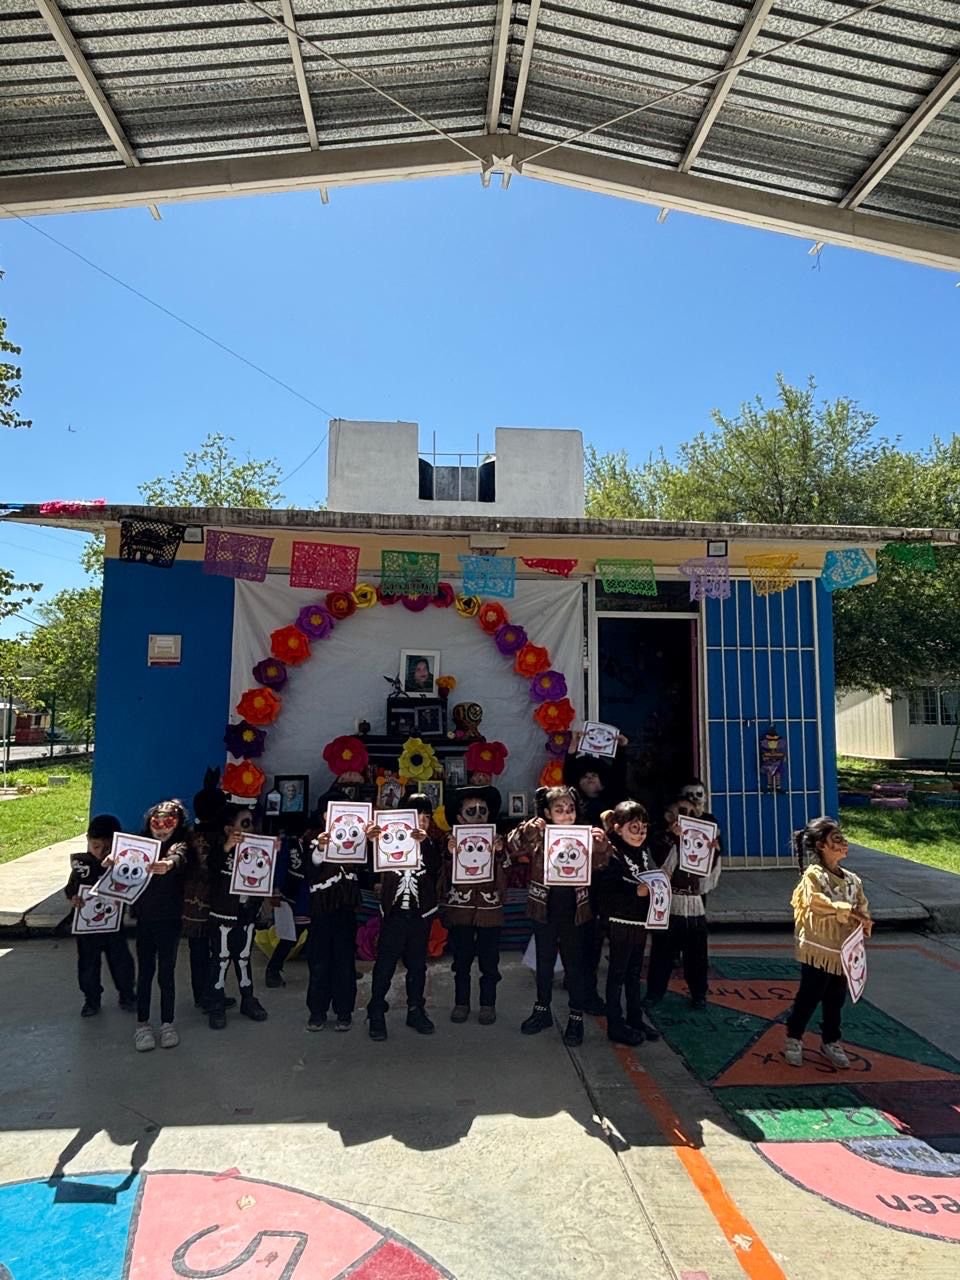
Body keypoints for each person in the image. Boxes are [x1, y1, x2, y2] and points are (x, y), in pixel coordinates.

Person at [506, 785, 609, 1047]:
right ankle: (542, 1010)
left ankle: (576, 1017)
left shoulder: (584, 834)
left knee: (575, 964)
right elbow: (512, 845)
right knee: (544, 961)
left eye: (570, 809)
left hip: (575, 909)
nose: (566, 814)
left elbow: (602, 863)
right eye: (559, 810)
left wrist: (601, 844)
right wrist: (530, 828)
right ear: (548, 813)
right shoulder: (540, 835)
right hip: (544, 906)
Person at [783, 817, 872, 1069]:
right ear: (822, 845)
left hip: (843, 950)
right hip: (819, 948)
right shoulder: (814, 876)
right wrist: (845, 910)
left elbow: (862, 905)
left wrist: (864, 920)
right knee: (810, 994)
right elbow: (816, 902)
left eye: (843, 838)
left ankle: (831, 1040)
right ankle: (794, 1037)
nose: (844, 843)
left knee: (836, 998)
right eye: (837, 839)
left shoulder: (853, 880)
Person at [367, 794, 442, 1041]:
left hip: (420, 914)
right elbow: (370, 866)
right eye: (416, 817)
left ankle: (415, 1008)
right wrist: (373, 841)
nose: (422, 822)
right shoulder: (388, 840)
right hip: (394, 913)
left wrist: (425, 842)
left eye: (426, 818)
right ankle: (376, 1009)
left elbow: (436, 866)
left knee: (417, 964)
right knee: (385, 963)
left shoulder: (431, 844)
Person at [564, 738, 628, 1017]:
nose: (590, 780)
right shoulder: (574, 805)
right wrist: (571, 752)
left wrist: (621, 750)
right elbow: (567, 780)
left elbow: (620, 780)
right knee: (576, 934)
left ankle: (588, 990)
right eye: (585, 777)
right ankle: (577, 981)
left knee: (594, 936)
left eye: (594, 776)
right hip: (577, 876)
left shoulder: (610, 803)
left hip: (604, 877)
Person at [303, 791, 376, 1032]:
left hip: (346, 907)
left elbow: (369, 866)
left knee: (344, 961)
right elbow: (309, 871)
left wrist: (372, 840)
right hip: (322, 910)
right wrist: (320, 849)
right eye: (332, 811)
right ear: (324, 815)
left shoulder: (357, 835)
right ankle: (317, 1011)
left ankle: (344, 1011)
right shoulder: (313, 838)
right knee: (319, 961)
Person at [440, 785, 508, 1025]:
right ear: (459, 817)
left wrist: (499, 854)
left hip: (490, 911)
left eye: (483, 811)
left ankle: (488, 1004)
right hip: (461, 910)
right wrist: (449, 855)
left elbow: (507, 873)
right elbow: (441, 877)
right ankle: (461, 1002)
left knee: (490, 962)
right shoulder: (449, 842)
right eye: (471, 811)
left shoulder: (498, 840)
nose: (478, 815)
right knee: (461, 961)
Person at [645, 798, 721, 1011]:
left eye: (691, 812)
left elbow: (708, 881)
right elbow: (659, 868)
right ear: (669, 816)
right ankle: (654, 992)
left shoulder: (701, 837)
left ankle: (699, 994)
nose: (687, 816)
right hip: (670, 904)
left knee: (697, 955)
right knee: (662, 953)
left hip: (694, 906)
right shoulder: (660, 838)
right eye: (681, 812)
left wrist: (713, 852)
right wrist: (674, 840)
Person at [598, 802, 660, 1046]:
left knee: (634, 972)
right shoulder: (611, 853)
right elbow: (605, 890)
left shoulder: (644, 850)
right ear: (618, 828)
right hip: (619, 920)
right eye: (634, 828)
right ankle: (615, 1024)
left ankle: (635, 1017)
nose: (640, 833)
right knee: (618, 973)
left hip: (639, 919)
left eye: (643, 828)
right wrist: (636, 891)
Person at [131, 800, 190, 1051]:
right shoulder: (139, 844)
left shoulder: (180, 845)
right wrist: (113, 861)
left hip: (170, 919)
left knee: (167, 973)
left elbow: (180, 856)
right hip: (144, 918)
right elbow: (123, 859)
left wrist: (168, 864)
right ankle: (142, 1024)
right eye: (157, 822)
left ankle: (168, 1023)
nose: (162, 827)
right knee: (144, 973)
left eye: (169, 822)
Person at [64, 813, 136, 1018]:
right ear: (88, 840)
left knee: (122, 962)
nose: (100, 852)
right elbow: (71, 888)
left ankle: (127, 994)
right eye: (96, 846)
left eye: (107, 848)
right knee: (88, 965)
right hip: (86, 927)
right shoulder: (82, 865)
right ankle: (91, 999)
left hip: (114, 925)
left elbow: (133, 887)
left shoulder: (123, 865)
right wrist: (74, 898)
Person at [206, 804, 269, 1029]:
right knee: (220, 959)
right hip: (222, 913)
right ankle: (216, 1002)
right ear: (228, 829)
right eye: (245, 823)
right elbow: (210, 869)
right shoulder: (219, 850)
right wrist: (227, 848)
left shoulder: (257, 849)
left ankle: (248, 998)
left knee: (243, 958)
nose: (250, 828)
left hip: (246, 913)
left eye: (252, 823)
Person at [182, 768, 234, 1014]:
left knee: (199, 951)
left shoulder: (189, 836)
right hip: (213, 903)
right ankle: (212, 994)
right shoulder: (219, 840)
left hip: (191, 905)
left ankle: (202, 994)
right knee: (216, 952)